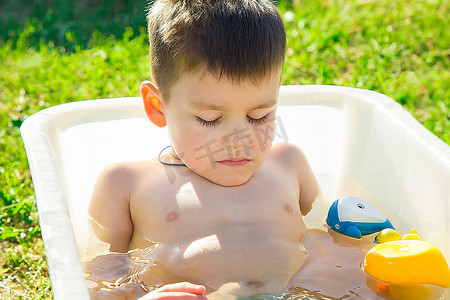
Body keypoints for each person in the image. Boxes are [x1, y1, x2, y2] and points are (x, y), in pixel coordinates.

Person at [88, 0, 320, 298]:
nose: (240, 138)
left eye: (259, 116)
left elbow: (326, 239)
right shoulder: (126, 183)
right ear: (157, 107)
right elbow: (99, 277)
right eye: (210, 119)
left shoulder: (289, 163)